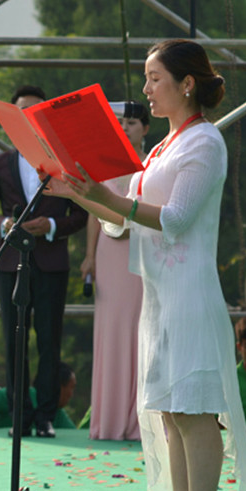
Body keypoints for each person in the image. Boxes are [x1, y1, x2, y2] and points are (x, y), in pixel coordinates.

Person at [50, 39, 246, 491]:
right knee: (171, 413)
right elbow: (120, 222)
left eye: (154, 78)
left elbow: (175, 218)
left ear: (186, 84)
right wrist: (79, 194)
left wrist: (108, 198)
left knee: (194, 412)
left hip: (190, 296)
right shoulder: (161, 148)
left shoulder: (205, 142)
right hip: (160, 298)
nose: (145, 89)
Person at [0, 84, 87, 438]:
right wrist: (4, 224)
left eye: (36, 111)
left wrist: (52, 225)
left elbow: (82, 214)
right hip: (11, 263)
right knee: (14, 342)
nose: (29, 118)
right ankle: (19, 416)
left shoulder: (63, 162)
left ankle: (45, 417)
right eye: (22, 111)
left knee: (50, 342)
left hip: (52, 263)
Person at [81, 101, 150, 441]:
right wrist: (89, 257)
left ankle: (140, 421)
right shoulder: (102, 164)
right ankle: (108, 420)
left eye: (133, 122)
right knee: (110, 329)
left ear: (146, 128)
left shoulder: (153, 164)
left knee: (139, 328)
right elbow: (93, 213)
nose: (126, 127)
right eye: (121, 122)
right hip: (109, 254)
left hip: (141, 251)